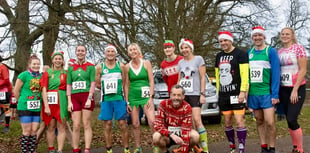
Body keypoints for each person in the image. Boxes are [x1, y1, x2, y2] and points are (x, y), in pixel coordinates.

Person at [247, 26, 280, 153]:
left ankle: (272, 147)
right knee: (259, 121)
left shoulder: (270, 51)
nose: (257, 38)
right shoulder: (249, 53)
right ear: (252, 38)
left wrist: (275, 94)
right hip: (253, 94)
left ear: (264, 37)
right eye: (255, 36)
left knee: (270, 122)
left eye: (260, 35)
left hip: (267, 93)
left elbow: (276, 73)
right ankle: (263, 146)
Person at [215, 31, 249, 153]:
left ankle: (241, 147)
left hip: (237, 94)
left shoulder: (241, 54)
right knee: (227, 121)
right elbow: (217, 75)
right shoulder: (218, 56)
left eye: (225, 40)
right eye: (221, 41)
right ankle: (232, 146)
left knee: (239, 121)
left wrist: (243, 91)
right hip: (224, 94)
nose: (223, 43)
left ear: (231, 40)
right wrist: (218, 92)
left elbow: (245, 74)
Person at [95, 44, 130, 153]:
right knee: (108, 124)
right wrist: (106, 88)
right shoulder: (100, 67)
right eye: (108, 51)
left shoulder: (121, 66)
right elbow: (97, 84)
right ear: (105, 53)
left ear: (115, 53)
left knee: (122, 124)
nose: (110, 53)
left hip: (119, 98)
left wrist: (126, 100)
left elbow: (124, 84)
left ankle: (126, 148)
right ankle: (109, 148)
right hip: (106, 99)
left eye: (112, 52)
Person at [278, 27, 307, 153]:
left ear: (292, 35)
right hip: (283, 89)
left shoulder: (298, 48)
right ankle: (295, 147)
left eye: (287, 34)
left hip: (297, 88)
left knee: (291, 118)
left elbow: (303, 69)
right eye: (283, 34)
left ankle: (300, 148)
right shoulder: (279, 51)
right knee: (288, 120)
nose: (284, 36)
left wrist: (295, 89)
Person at [177, 38, 209, 153]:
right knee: (187, 122)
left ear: (191, 48)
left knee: (197, 120)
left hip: (195, 94)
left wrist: (202, 94)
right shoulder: (180, 62)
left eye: (186, 47)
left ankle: (205, 148)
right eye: (182, 48)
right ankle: (192, 147)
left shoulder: (198, 59)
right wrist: (177, 94)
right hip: (184, 96)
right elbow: (179, 80)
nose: (184, 50)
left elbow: (202, 78)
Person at [124, 43, 156, 153]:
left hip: (146, 96)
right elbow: (126, 85)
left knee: (152, 121)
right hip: (133, 97)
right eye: (131, 50)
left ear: (138, 51)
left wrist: (151, 97)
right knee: (135, 124)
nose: (133, 51)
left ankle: (156, 144)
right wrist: (127, 101)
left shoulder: (146, 63)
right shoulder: (127, 67)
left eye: (135, 49)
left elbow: (151, 80)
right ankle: (138, 147)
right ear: (129, 53)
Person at [153, 85, 199, 153]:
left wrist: (184, 150)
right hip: (167, 135)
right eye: (174, 95)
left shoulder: (187, 107)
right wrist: (171, 134)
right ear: (170, 95)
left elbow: (186, 131)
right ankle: (165, 151)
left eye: (179, 95)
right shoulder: (163, 104)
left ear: (183, 96)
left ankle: (184, 150)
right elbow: (158, 125)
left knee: (195, 136)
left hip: (182, 134)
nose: (176, 98)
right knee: (156, 136)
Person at [67, 45, 96, 153]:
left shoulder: (90, 66)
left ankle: (87, 149)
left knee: (86, 123)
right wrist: (69, 102)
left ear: (85, 52)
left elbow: (93, 83)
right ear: (75, 52)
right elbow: (68, 85)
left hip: (86, 96)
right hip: (74, 97)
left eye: (82, 51)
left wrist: (89, 98)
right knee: (76, 125)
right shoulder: (71, 68)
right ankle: (75, 148)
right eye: (78, 51)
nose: (80, 52)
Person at [40, 51, 70, 153]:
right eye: (56, 59)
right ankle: (51, 148)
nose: (57, 60)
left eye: (59, 59)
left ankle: (60, 149)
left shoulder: (66, 73)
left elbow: (69, 88)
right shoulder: (47, 73)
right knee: (51, 126)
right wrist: (46, 105)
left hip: (62, 100)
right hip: (50, 101)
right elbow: (43, 89)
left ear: (62, 61)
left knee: (61, 126)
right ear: (52, 60)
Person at [14, 54, 42, 153]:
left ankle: (32, 150)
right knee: (26, 131)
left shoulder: (41, 76)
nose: (36, 66)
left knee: (34, 131)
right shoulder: (24, 75)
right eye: (34, 64)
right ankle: (25, 151)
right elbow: (16, 90)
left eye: (38, 64)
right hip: (25, 106)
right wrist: (21, 101)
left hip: (37, 107)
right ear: (29, 65)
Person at [37, 65, 50, 141]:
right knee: (43, 125)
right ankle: (34, 143)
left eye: (47, 70)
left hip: (52, 102)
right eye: (45, 70)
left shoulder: (51, 76)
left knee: (44, 126)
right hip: (44, 103)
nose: (46, 72)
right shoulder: (40, 78)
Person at [0, 56, 13, 133]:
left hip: (4, 91)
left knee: (6, 108)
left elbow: (6, 80)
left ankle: (7, 126)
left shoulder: (3, 68)